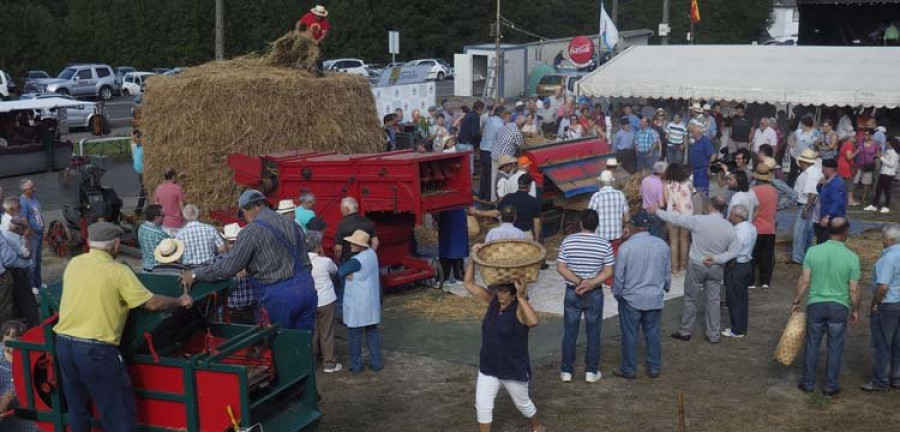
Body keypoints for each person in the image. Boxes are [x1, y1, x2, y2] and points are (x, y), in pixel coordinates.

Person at [54, 222, 192, 432]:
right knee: (119, 416)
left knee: (78, 412)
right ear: (116, 245)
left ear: (90, 242)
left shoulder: (74, 263)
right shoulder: (117, 271)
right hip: (95, 352)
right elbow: (152, 303)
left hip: (64, 345)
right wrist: (180, 301)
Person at [182, 190, 318, 331]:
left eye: (244, 213)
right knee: (303, 343)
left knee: (278, 344)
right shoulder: (292, 224)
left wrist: (195, 274)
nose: (245, 218)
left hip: (279, 297)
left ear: (254, 207)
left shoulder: (251, 231)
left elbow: (227, 268)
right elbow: (305, 258)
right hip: (307, 288)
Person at [463, 248, 542, 432]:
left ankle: (537, 424)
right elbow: (468, 284)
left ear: (513, 293)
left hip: (512, 367)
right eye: (499, 290)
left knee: (523, 403)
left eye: (505, 291)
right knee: (482, 404)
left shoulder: (518, 309)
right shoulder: (492, 302)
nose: (500, 294)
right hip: (489, 365)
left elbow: (533, 321)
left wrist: (521, 298)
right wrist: (473, 259)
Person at [652, 197, 739, 343]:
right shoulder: (729, 227)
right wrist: (717, 258)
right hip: (716, 267)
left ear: (710, 206)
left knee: (690, 299)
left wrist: (657, 211)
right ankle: (713, 334)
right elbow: (734, 251)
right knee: (713, 300)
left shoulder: (699, 220)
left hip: (697, 264)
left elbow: (676, 219)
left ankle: (686, 331)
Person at [793, 218, 860, 397]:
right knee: (835, 346)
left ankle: (808, 382)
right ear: (845, 232)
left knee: (812, 344)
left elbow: (805, 280)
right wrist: (855, 309)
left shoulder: (813, 251)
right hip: (839, 306)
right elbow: (853, 288)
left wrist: (797, 300)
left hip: (816, 303)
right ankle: (831, 385)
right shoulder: (852, 257)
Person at [556, 209, 614, 383]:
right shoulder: (604, 244)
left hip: (573, 291)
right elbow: (608, 271)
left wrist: (578, 281)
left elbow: (561, 267)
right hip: (594, 292)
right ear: (597, 225)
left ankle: (567, 371)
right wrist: (590, 283)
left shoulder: (568, 241)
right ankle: (591, 371)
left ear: (581, 223)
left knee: (570, 332)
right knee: (594, 332)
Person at [613, 211, 670, 379]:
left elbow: (619, 276)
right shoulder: (662, 245)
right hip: (654, 296)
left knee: (630, 334)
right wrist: (665, 288)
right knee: (652, 332)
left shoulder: (626, 248)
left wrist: (618, 293)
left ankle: (629, 368)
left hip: (631, 298)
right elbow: (667, 272)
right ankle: (654, 367)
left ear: (634, 227)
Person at [861, 225, 900, 391]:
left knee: (882, 343)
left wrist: (876, 302)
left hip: (888, 305)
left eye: (883, 238)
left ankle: (880, 381)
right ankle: (897, 378)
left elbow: (883, 286)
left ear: (890, 240)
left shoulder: (889, 258)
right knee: (898, 343)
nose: (882, 241)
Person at [338, 230, 383, 373]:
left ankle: (356, 365)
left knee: (355, 334)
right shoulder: (371, 254)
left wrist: (347, 274)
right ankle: (376, 363)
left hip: (357, 301)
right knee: (372, 331)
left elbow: (340, 272)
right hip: (370, 299)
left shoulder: (356, 261)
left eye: (354, 243)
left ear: (361, 246)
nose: (351, 245)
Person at [306, 231, 341, 373]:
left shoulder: (301, 263)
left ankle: (311, 364)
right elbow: (335, 270)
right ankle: (329, 363)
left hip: (310, 301)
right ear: (318, 246)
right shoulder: (325, 262)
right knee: (327, 332)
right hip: (326, 300)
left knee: (312, 333)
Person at [721, 205, 757, 339]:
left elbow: (733, 251)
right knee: (742, 298)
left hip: (737, 266)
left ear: (737, 217)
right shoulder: (751, 227)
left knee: (734, 298)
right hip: (746, 264)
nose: (729, 217)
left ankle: (737, 329)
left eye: (731, 215)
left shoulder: (738, 232)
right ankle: (741, 326)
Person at [0, 320, 37, 431]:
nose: (12, 341)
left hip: (27, 416)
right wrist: (5, 401)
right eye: (8, 336)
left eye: (16, 337)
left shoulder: (31, 356)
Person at [218, 223, 256, 325]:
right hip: (231, 311)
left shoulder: (252, 256)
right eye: (231, 243)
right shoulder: (220, 260)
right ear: (225, 243)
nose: (234, 245)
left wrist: (250, 271)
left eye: (237, 242)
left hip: (252, 308)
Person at [2, 219, 37, 327]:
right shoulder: (7, 232)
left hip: (13, 270)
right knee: (7, 307)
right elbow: (24, 254)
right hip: (13, 270)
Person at [791, 149, 823, 264]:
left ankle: (798, 256)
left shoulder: (812, 174)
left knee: (799, 231)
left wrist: (806, 208)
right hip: (807, 204)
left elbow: (812, 193)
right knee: (807, 231)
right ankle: (805, 254)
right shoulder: (812, 172)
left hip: (806, 204)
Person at [662, 163, 694, 274]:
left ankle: (674, 268)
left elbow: (666, 201)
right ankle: (683, 266)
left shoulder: (667, 185)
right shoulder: (689, 183)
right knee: (685, 241)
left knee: (673, 242)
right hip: (687, 215)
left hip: (672, 216)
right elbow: (692, 196)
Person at [750, 163, 778, 290]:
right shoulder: (773, 191)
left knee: (753, 255)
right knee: (766, 256)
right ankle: (765, 281)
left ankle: (751, 281)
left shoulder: (753, 191)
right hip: (770, 228)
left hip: (756, 227)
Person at [588, 171, 629, 252]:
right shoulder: (620, 194)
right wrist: (627, 227)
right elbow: (626, 212)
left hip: (600, 237)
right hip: (616, 236)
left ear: (600, 182)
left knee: (601, 260)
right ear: (612, 182)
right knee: (615, 259)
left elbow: (590, 215)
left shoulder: (596, 196)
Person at [334, 197, 379, 263]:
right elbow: (375, 242)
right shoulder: (368, 221)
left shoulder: (342, 225)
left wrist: (338, 259)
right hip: (366, 261)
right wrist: (369, 256)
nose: (341, 211)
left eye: (342, 208)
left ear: (347, 209)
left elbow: (338, 249)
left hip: (349, 261)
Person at [17, 179, 43, 289]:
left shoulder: (33, 198)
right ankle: (31, 286)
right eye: (31, 187)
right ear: (25, 189)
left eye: (34, 186)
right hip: (32, 236)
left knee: (38, 260)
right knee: (32, 263)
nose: (34, 189)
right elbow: (24, 220)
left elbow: (37, 213)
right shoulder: (22, 202)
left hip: (39, 233)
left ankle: (38, 283)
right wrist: (31, 233)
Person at [815, 159, 846, 244]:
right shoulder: (828, 180)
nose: (822, 171)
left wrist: (828, 216)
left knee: (825, 241)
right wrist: (819, 185)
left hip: (832, 220)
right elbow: (822, 193)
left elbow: (837, 202)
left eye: (823, 169)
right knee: (821, 240)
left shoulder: (837, 183)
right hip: (824, 216)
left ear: (829, 169)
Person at [437, 203, 468, 285]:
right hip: (445, 206)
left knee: (457, 236)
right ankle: (446, 269)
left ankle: (457, 269)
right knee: (447, 236)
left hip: (456, 205)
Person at [688, 123, 716, 213]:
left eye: (693, 132)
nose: (691, 133)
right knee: (695, 192)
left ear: (698, 133)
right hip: (695, 170)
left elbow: (713, 155)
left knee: (703, 192)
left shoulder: (705, 141)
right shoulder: (695, 141)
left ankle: (704, 211)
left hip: (702, 170)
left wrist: (709, 167)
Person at [866, 138, 899, 213]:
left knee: (886, 191)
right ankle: (873, 205)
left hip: (889, 174)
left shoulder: (894, 153)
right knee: (878, 190)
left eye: (886, 142)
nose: (885, 144)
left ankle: (886, 206)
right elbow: (884, 160)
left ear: (889, 143)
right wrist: (880, 157)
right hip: (883, 172)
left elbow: (891, 164)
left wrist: (881, 157)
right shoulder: (888, 151)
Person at [295, 5, 330, 75]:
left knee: (318, 56)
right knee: (304, 54)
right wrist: (297, 30)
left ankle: (320, 72)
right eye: (317, 15)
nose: (318, 17)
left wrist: (318, 41)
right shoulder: (308, 16)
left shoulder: (325, 21)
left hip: (317, 41)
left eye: (320, 16)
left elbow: (324, 34)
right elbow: (299, 22)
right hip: (307, 39)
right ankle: (304, 70)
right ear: (314, 14)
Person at [480, 107, 505, 202]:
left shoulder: (489, 120)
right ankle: (489, 197)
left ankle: (482, 194)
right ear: (502, 114)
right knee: (491, 175)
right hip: (491, 151)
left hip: (483, 149)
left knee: (484, 173)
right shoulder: (500, 125)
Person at [789, 117, 821, 187]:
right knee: (792, 174)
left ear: (806, 124)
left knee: (804, 174)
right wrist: (792, 145)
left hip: (806, 158)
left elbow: (817, 145)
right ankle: (790, 188)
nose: (801, 125)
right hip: (795, 156)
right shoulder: (798, 131)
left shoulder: (815, 133)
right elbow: (793, 139)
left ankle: (803, 188)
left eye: (802, 124)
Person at [137, 204, 170, 272]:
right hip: (159, 269)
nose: (163, 218)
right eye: (162, 216)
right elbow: (172, 247)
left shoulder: (141, 227)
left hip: (145, 267)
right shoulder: (159, 233)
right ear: (156, 217)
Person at [153, 168, 185, 236]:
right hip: (176, 223)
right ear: (173, 177)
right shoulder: (177, 188)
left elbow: (156, 205)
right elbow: (182, 207)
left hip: (163, 223)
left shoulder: (159, 188)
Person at [640, 162, 667, 238]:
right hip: (656, 213)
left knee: (647, 236)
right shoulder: (661, 184)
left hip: (645, 210)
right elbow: (661, 204)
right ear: (663, 172)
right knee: (655, 237)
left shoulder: (645, 180)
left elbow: (641, 194)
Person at [855, 127, 880, 205]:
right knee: (855, 181)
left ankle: (863, 198)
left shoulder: (875, 143)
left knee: (867, 183)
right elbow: (855, 149)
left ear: (871, 135)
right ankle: (851, 197)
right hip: (859, 165)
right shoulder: (860, 141)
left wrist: (875, 158)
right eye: (864, 134)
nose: (865, 136)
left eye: (867, 135)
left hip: (869, 166)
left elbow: (878, 153)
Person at [458, 101, 483, 173]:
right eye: (482, 109)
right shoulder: (475, 117)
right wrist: (479, 140)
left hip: (461, 142)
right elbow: (474, 133)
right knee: (470, 167)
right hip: (469, 143)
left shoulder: (467, 115)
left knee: (463, 165)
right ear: (479, 109)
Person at [838, 137, 860, 206]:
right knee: (849, 184)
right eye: (854, 137)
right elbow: (849, 157)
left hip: (841, 165)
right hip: (846, 166)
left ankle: (842, 199)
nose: (855, 138)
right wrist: (856, 152)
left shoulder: (844, 144)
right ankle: (850, 201)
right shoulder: (849, 144)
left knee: (842, 183)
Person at [131, 129, 147, 214]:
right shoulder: (135, 147)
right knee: (144, 189)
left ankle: (139, 208)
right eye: (133, 138)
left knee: (143, 189)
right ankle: (144, 206)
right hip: (139, 173)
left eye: (136, 137)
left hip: (144, 173)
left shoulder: (144, 148)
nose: (134, 139)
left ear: (140, 137)